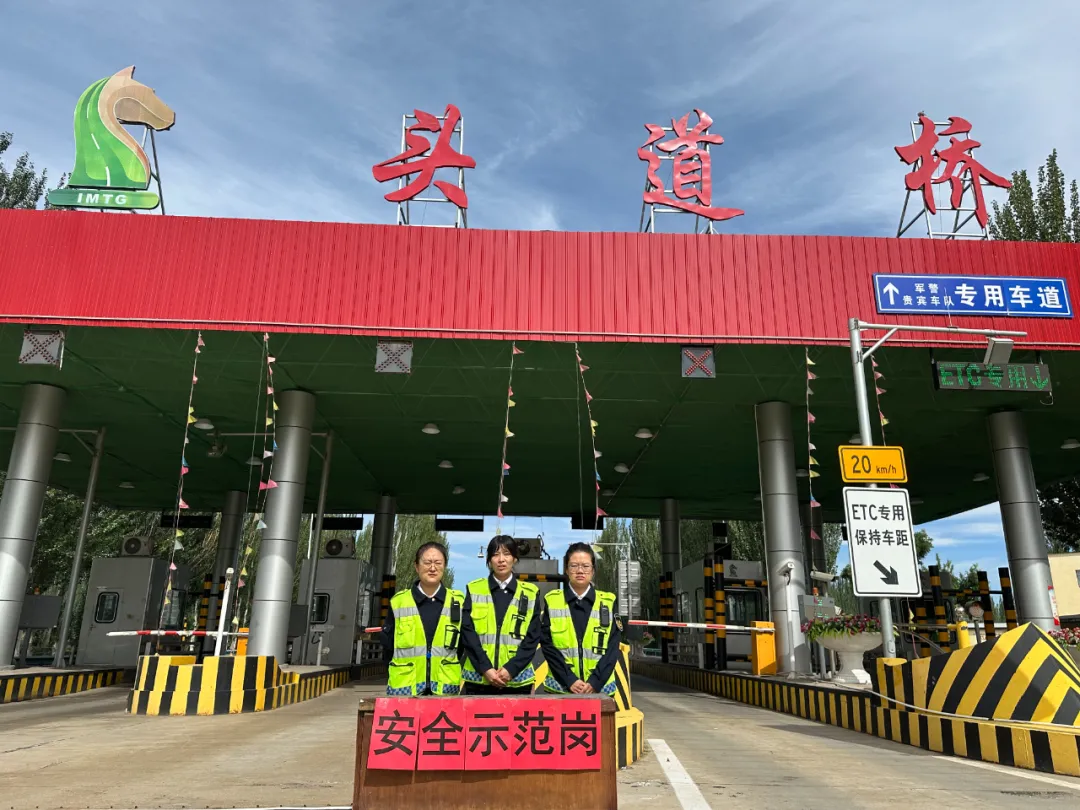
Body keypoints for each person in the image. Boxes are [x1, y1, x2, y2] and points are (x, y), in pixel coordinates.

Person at [380, 541, 464, 696]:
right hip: (405, 689)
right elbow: (388, 646)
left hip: (445, 689)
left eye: (438, 563)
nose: (432, 568)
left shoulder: (458, 602)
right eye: (427, 562)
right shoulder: (399, 602)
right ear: (416, 566)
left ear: (444, 566)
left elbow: (463, 646)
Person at [460, 535, 542, 694]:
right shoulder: (474, 589)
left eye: (507, 554)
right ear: (489, 560)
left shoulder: (531, 593)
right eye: (495, 554)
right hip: (479, 681)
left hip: (517, 681)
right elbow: (467, 633)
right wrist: (486, 668)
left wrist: (511, 669)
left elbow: (532, 638)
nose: (501, 559)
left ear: (515, 559)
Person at [540, 542, 622, 696]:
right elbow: (547, 646)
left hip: (600, 691)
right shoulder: (552, 601)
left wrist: (595, 682)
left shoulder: (608, 602)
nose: (580, 571)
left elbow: (613, 647)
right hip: (561, 690)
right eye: (574, 566)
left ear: (593, 570)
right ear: (566, 569)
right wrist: (569, 680)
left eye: (585, 566)